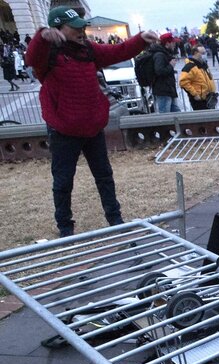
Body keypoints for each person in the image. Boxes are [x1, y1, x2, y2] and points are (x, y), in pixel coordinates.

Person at [24, 5, 158, 237]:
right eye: (74, 27)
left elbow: (118, 52)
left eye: (81, 26)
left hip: (92, 126)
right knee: (63, 180)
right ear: (58, 28)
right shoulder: (48, 54)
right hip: (63, 129)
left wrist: (140, 40)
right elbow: (31, 58)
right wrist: (42, 36)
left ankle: (114, 218)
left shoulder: (87, 49)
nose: (80, 31)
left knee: (104, 175)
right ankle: (65, 227)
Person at [179, 45, 217, 110]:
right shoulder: (190, 66)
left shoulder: (203, 64)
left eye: (205, 52)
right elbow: (183, 82)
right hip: (199, 100)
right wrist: (195, 94)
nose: (205, 55)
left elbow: (209, 78)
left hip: (209, 98)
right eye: (203, 53)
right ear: (196, 53)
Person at [151, 33, 180, 113]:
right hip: (163, 91)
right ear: (167, 43)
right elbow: (159, 71)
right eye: (173, 42)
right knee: (165, 116)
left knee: (177, 114)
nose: (174, 44)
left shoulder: (165, 53)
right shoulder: (160, 55)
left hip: (168, 90)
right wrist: (170, 66)